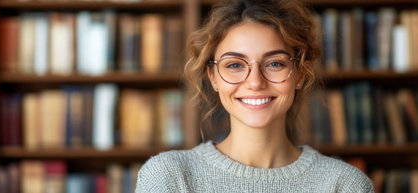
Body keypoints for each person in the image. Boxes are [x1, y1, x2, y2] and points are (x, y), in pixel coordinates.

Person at [136, 0, 374, 192]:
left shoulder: (344, 184)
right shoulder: (168, 176)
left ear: (300, 73)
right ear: (213, 77)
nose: (255, 82)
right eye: (235, 65)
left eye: (274, 63)